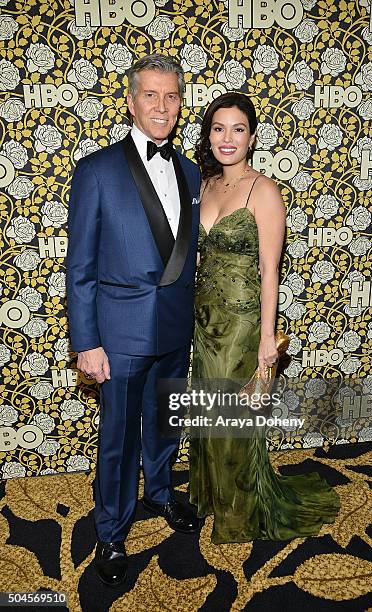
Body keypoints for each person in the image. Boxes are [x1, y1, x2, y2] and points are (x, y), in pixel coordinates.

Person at [67, 54, 201, 586]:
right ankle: (112, 532)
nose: (162, 107)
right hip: (118, 337)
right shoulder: (96, 169)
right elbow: (80, 265)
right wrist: (87, 341)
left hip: (174, 330)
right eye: (151, 95)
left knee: (166, 426)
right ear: (130, 100)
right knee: (118, 441)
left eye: (171, 96)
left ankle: (163, 495)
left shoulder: (191, 171)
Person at [189, 92, 340, 544]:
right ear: (209, 136)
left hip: (242, 323)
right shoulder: (204, 185)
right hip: (204, 320)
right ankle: (214, 497)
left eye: (237, 129)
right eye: (219, 128)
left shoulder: (264, 190)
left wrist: (267, 341)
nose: (227, 138)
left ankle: (240, 510)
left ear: (252, 137)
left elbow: (270, 271)